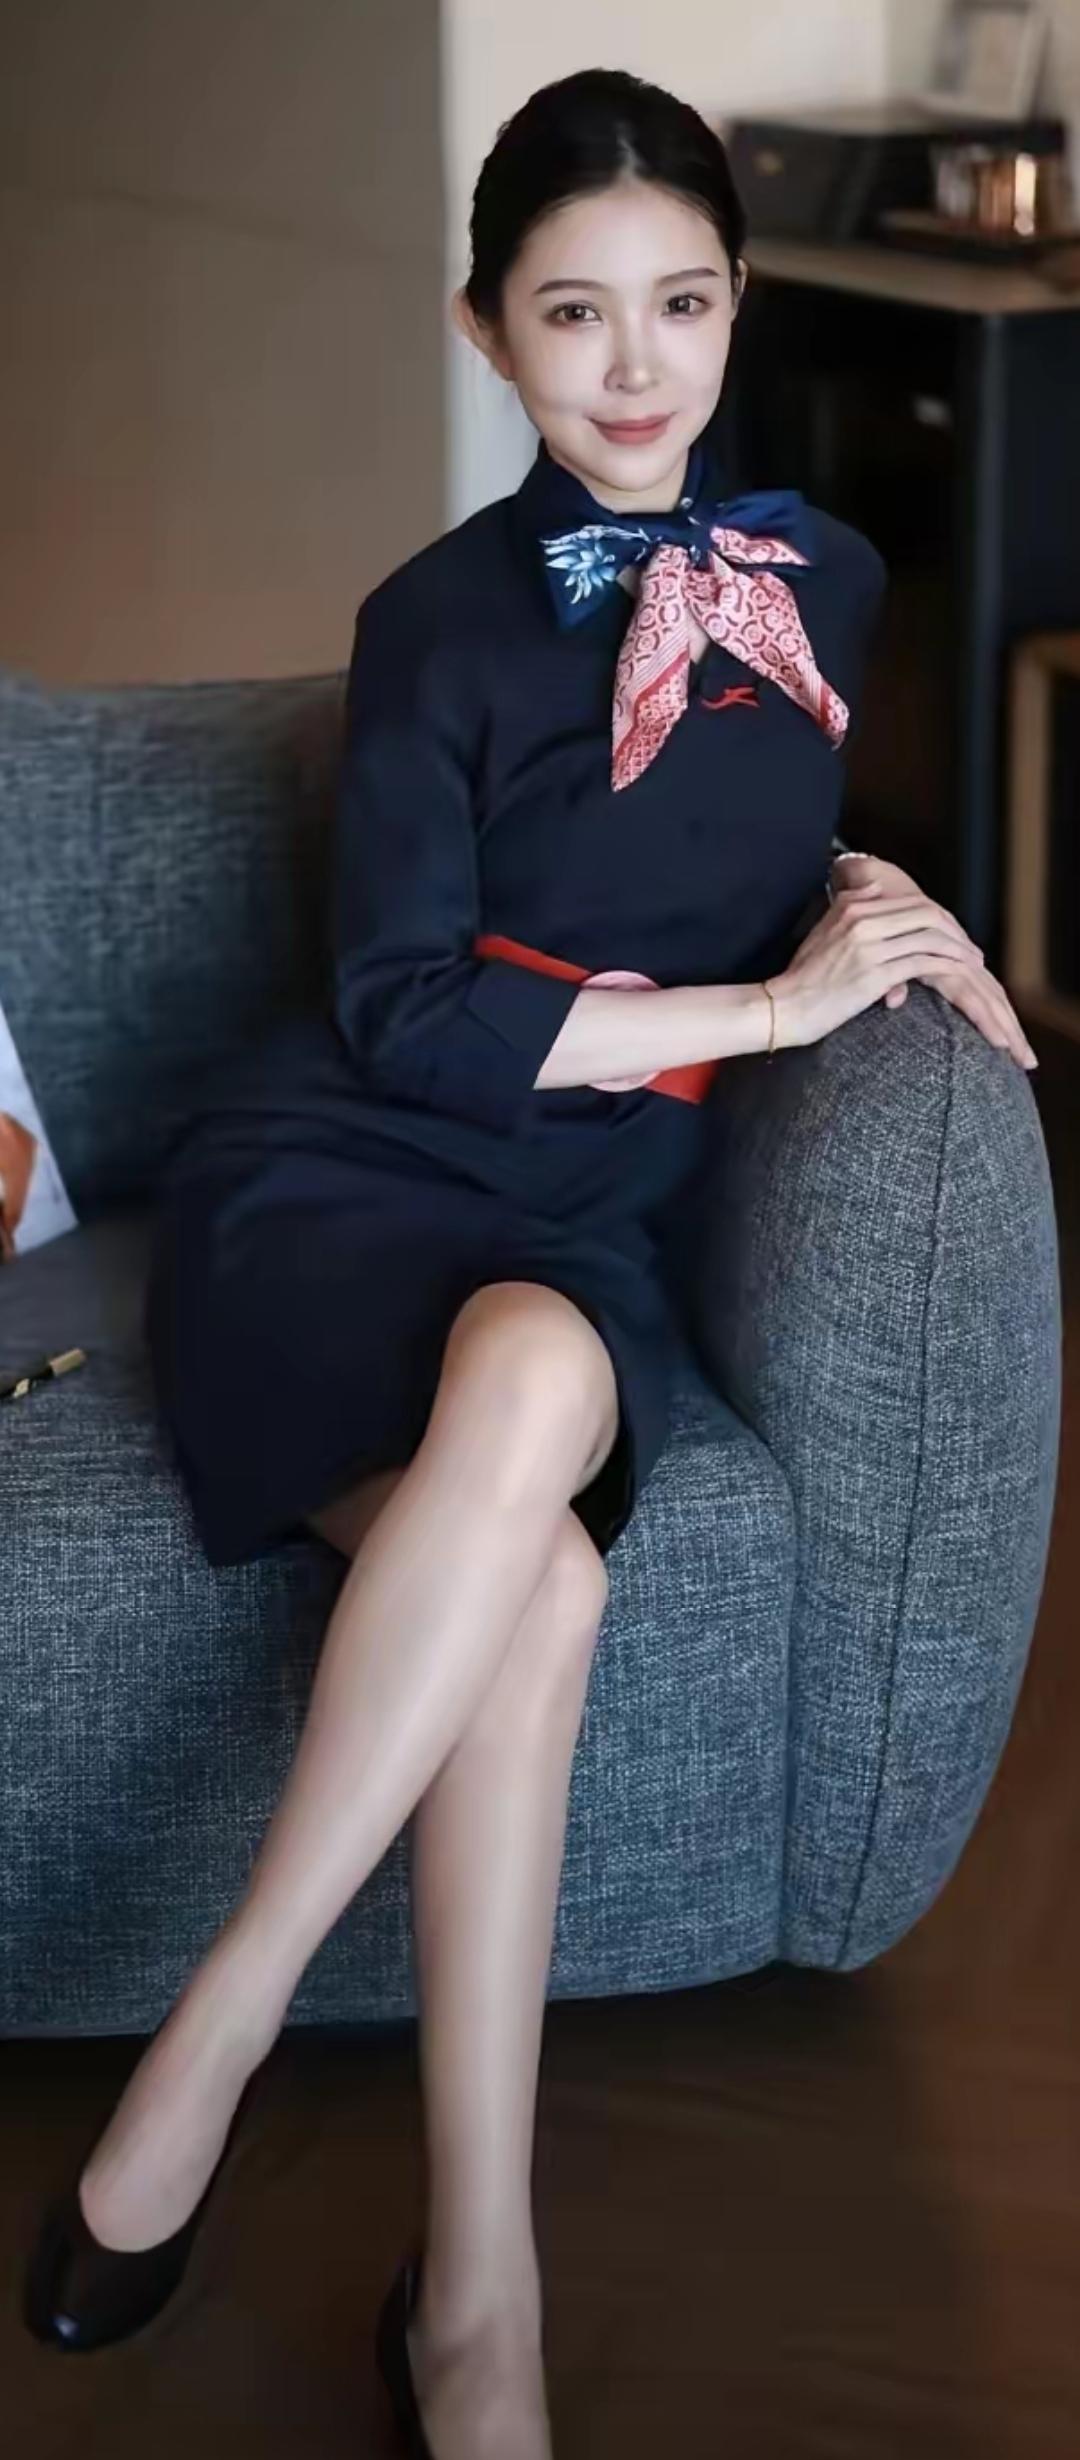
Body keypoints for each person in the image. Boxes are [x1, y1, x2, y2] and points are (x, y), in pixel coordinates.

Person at [24, 64, 1038, 2460]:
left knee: (538, 1388)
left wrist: (891, 913)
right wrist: (770, 1014)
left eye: (683, 301)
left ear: (739, 305)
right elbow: (401, 1006)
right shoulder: (433, 625)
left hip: (584, 1218)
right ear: (485, 330)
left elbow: (768, 847)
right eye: (574, 312)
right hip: (347, 1176)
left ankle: (235, 2062)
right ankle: (468, 2282)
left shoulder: (827, 583)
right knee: (548, 1575)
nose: (636, 364)